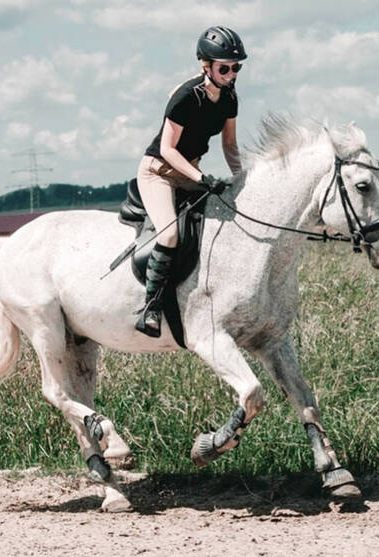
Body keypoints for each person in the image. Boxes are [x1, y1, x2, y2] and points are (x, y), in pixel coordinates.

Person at [134, 25, 246, 338]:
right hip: (159, 172)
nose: (232, 73)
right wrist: (200, 177)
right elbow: (168, 149)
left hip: (191, 173)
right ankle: (150, 308)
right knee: (169, 235)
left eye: (236, 67)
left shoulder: (229, 98)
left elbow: (230, 146)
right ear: (205, 66)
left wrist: (241, 180)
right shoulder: (185, 97)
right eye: (225, 67)